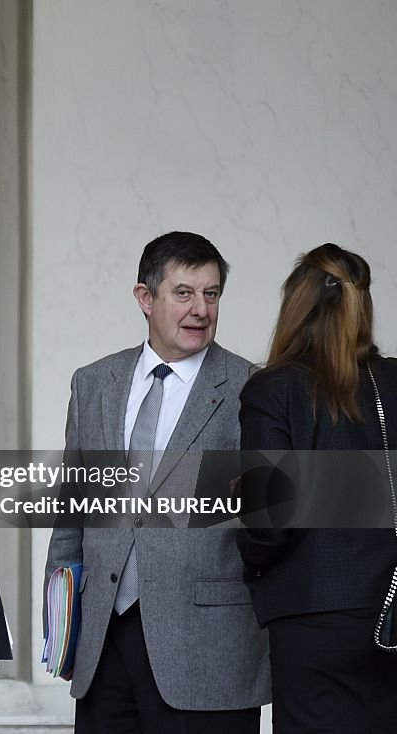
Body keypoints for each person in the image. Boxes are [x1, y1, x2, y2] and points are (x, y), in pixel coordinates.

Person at [45, 231, 269, 732]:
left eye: (211, 294)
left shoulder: (252, 388)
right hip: (104, 643)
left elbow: (269, 519)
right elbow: (72, 514)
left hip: (209, 647)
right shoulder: (94, 383)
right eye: (184, 293)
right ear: (145, 299)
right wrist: (61, 625)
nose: (200, 309)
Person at [236, 243, 397, 732]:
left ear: (296, 306)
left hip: (312, 618)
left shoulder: (273, 389)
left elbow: (270, 524)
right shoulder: (391, 382)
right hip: (390, 611)